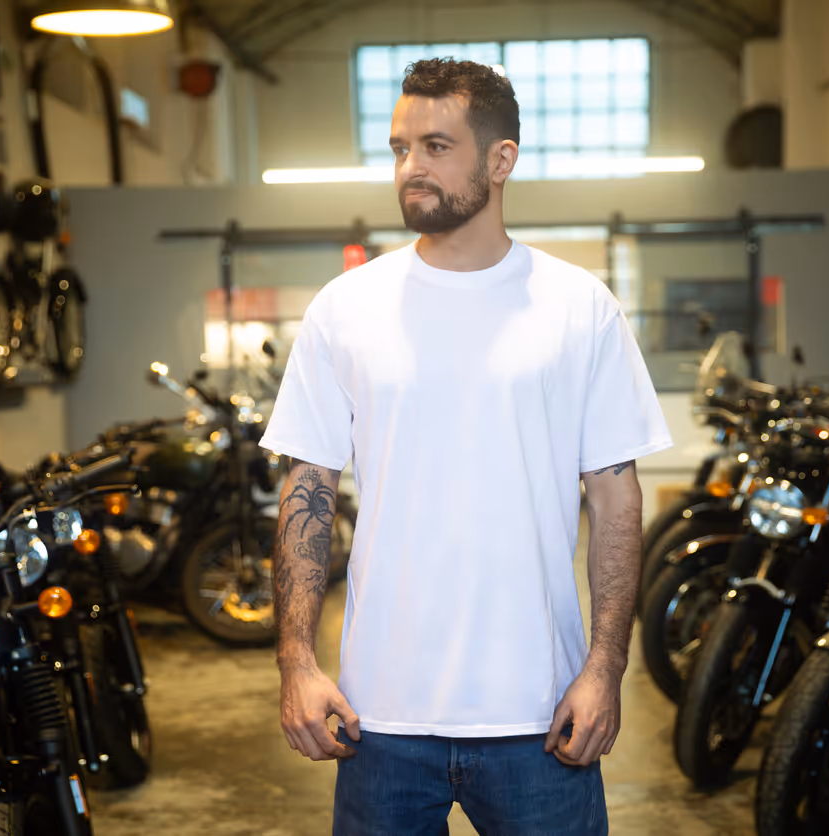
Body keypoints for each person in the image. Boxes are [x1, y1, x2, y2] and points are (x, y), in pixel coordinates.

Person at [262, 57, 671, 835]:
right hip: (378, 721)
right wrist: (298, 663)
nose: (411, 169)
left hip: (540, 716)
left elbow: (616, 497)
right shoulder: (346, 310)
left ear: (500, 159)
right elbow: (306, 487)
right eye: (398, 148)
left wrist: (605, 668)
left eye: (436, 147)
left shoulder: (579, 308)